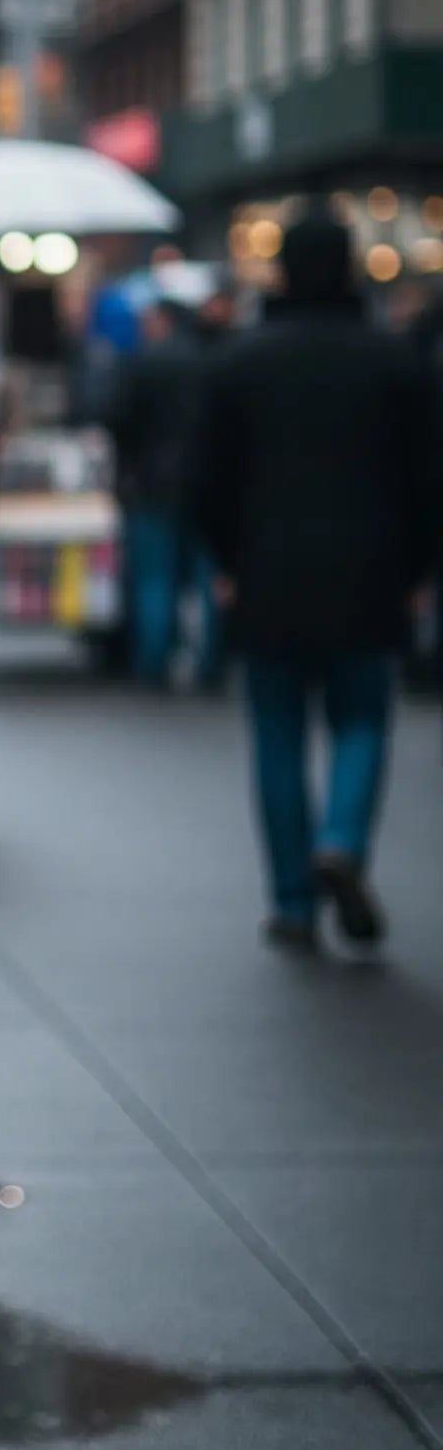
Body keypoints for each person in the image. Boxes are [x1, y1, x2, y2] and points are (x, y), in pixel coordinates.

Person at [189, 210, 437, 953]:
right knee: (362, 720)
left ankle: (292, 900)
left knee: (277, 735)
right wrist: (420, 569)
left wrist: (225, 563)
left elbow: (206, 481)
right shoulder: (394, 361)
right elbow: (428, 479)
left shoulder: (239, 361)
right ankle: (342, 840)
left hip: (265, 574)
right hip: (371, 573)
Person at [108, 296, 222, 689]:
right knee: (207, 579)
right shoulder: (212, 361)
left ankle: (154, 663)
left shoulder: (143, 363)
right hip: (206, 483)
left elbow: (119, 420)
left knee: (154, 579)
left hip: (151, 483)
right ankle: (210, 662)